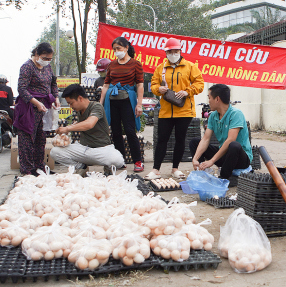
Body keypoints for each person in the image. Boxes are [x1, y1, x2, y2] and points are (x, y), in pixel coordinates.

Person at [147, 38, 204, 180]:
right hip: (165, 111)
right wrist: (158, 89)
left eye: (176, 51)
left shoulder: (190, 66)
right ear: (166, 53)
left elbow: (200, 83)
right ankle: (156, 169)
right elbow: (153, 85)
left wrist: (187, 91)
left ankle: (175, 169)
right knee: (162, 139)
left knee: (180, 139)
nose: (173, 54)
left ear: (180, 51)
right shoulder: (160, 68)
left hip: (184, 110)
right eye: (170, 51)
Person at [50, 84, 126, 172]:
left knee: (118, 160)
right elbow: (79, 123)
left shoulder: (96, 106)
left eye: (71, 103)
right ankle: (81, 167)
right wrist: (67, 129)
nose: (71, 106)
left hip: (101, 150)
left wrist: (67, 129)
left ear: (80, 98)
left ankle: (108, 168)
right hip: (84, 150)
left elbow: (89, 124)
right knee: (55, 152)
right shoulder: (79, 111)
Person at [190, 84, 252, 186]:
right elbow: (206, 139)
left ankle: (223, 178)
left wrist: (212, 161)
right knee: (194, 142)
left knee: (233, 145)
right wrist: (195, 158)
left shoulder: (236, 114)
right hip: (225, 156)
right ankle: (202, 174)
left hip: (240, 159)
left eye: (209, 98)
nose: (208, 101)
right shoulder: (213, 116)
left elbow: (230, 140)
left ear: (217, 99)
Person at [14, 42, 60, 176]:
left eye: (49, 59)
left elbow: (53, 83)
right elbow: (21, 88)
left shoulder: (48, 67)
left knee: (41, 138)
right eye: (45, 58)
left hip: (44, 107)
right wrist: (36, 103)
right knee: (27, 138)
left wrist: (55, 97)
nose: (47, 61)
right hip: (29, 106)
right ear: (37, 54)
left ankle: (40, 165)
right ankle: (28, 168)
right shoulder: (27, 67)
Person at [100, 37, 144, 172]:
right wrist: (100, 104)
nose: (116, 51)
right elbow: (106, 85)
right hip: (112, 101)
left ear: (126, 48)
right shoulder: (111, 65)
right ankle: (120, 160)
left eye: (118, 48)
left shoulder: (136, 64)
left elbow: (140, 85)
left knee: (130, 131)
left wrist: (139, 104)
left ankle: (138, 161)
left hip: (127, 101)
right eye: (114, 49)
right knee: (116, 132)